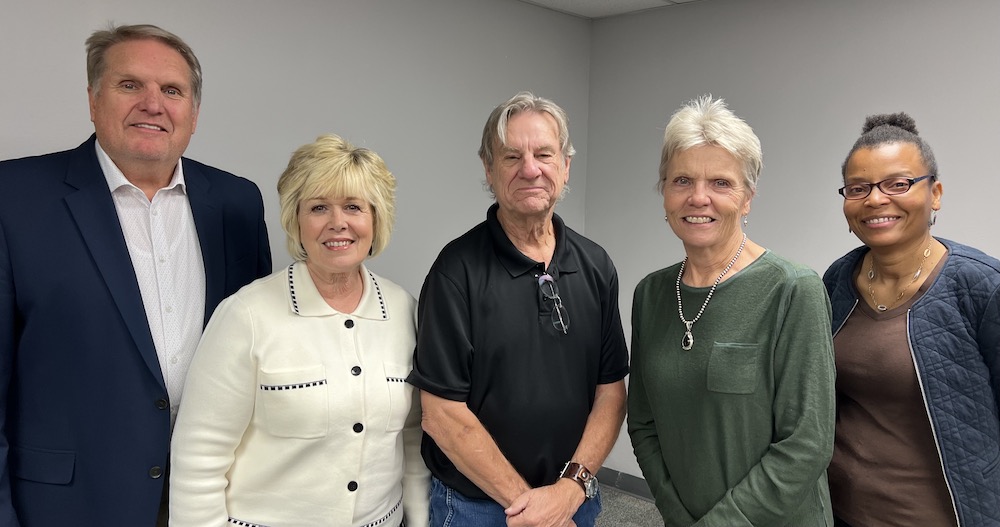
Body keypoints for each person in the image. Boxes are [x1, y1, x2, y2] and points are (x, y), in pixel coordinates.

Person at [0, 23, 271, 526]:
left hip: (213, 499)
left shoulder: (236, 202)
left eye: (172, 90)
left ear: (193, 112)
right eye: (130, 85)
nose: (153, 103)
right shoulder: (13, 198)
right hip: (68, 506)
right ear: (93, 99)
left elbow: (257, 353)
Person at [169, 134, 430, 526]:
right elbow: (199, 457)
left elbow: (412, 442)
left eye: (354, 207)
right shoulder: (246, 316)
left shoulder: (404, 311)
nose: (337, 222)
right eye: (319, 207)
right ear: (296, 220)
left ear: (376, 220)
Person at [406, 91, 629, 527]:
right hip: (480, 508)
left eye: (544, 154)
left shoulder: (596, 265)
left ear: (566, 166)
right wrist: (534, 509)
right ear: (489, 170)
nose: (531, 169)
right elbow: (443, 416)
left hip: (574, 499)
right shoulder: (456, 272)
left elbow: (610, 392)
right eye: (512, 157)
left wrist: (568, 491)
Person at [627, 95, 836, 526]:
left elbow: (807, 443)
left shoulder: (792, 289)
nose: (698, 198)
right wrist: (675, 514)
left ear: (747, 199)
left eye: (721, 183)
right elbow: (643, 423)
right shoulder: (651, 294)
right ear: (664, 192)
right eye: (681, 180)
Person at [823, 113, 1000, 526]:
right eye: (858, 188)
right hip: (839, 512)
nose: (876, 199)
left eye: (898, 184)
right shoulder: (837, 279)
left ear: (934, 193)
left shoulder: (981, 286)